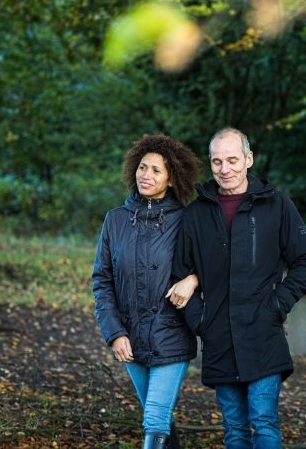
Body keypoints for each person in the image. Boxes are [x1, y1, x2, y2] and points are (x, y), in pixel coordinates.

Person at [171, 127, 306, 448]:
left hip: (263, 334)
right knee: (234, 429)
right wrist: (201, 321)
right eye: (217, 161)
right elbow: (178, 274)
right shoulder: (196, 214)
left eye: (233, 160)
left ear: (249, 159)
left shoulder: (277, 205)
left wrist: (277, 305)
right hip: (218, 338)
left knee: (264, 423)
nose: (225, 169)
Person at [92, 134, 202, 449]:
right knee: (161, 419)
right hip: (130, 338)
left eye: (156, 170)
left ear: (171, 179)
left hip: (172, 335)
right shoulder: (115, 220)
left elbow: (216, 267)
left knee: (153, 419)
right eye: (143, 167)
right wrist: (114, 332)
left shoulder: (187, 221)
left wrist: (194, 279)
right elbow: (102, 280)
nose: (146, 175)